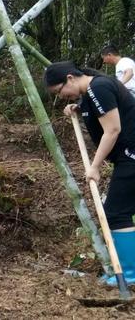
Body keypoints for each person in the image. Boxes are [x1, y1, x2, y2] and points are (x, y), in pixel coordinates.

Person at [44, 61, 135, 286]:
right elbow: (97, 110)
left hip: (131, 155)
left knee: (116, 212)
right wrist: (77, 108)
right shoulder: (91, 93)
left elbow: (112, 129)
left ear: (70, 78)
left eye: (59, 91)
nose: (61, 96)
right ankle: (125, 270)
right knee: (119, 210)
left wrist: (94, 166)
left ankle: (130, 274)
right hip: (127, 156)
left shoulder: (99, 87)